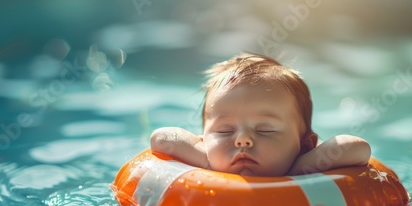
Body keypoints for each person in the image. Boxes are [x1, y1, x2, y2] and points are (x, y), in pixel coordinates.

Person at [150, 53, 371, 177]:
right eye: (224, 130)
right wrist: (206, 160)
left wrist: (300, 168)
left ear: (305, 145)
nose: (242, 139)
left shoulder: (304, 168)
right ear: (204, 140)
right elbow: (161, 138)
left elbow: (357, 148)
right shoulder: (203, 158)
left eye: (265, 130)